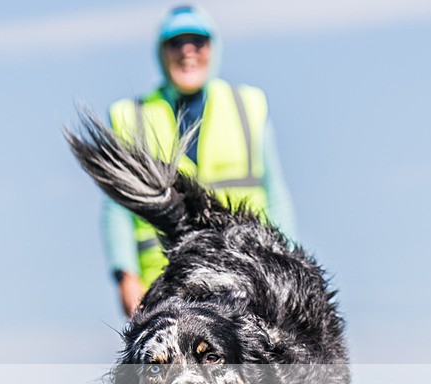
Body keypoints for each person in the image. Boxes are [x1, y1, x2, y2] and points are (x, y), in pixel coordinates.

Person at [102, 4, 298, 317]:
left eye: (198, 41)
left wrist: (289, 269)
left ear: (213, 48)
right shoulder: (129, 118)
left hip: (248, 280)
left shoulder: (249, 105)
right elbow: (116, 208)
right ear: (161, 52)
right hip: (166, 285)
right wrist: (126, 275)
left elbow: (276, 196)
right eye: (176, 42)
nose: (187, 51)